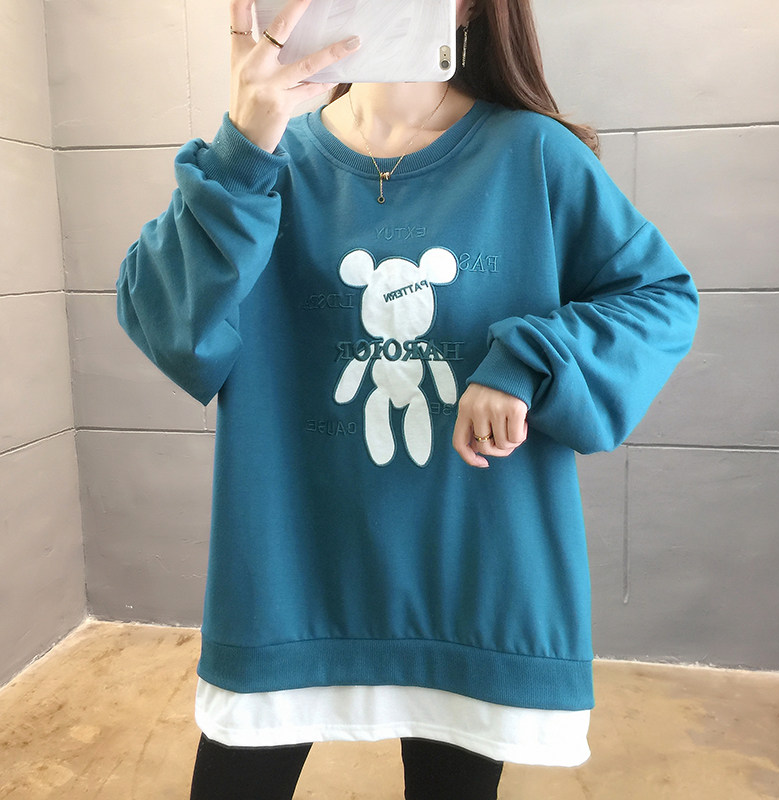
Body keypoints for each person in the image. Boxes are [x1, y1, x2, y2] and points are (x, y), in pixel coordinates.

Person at [116, 0, 700, 797]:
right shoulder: (264, 162)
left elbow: (659, 298)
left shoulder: (534, 155)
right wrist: (242, 146)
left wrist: (530, 360)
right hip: (290, 581)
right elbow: (171, 327)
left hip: (473, 581)